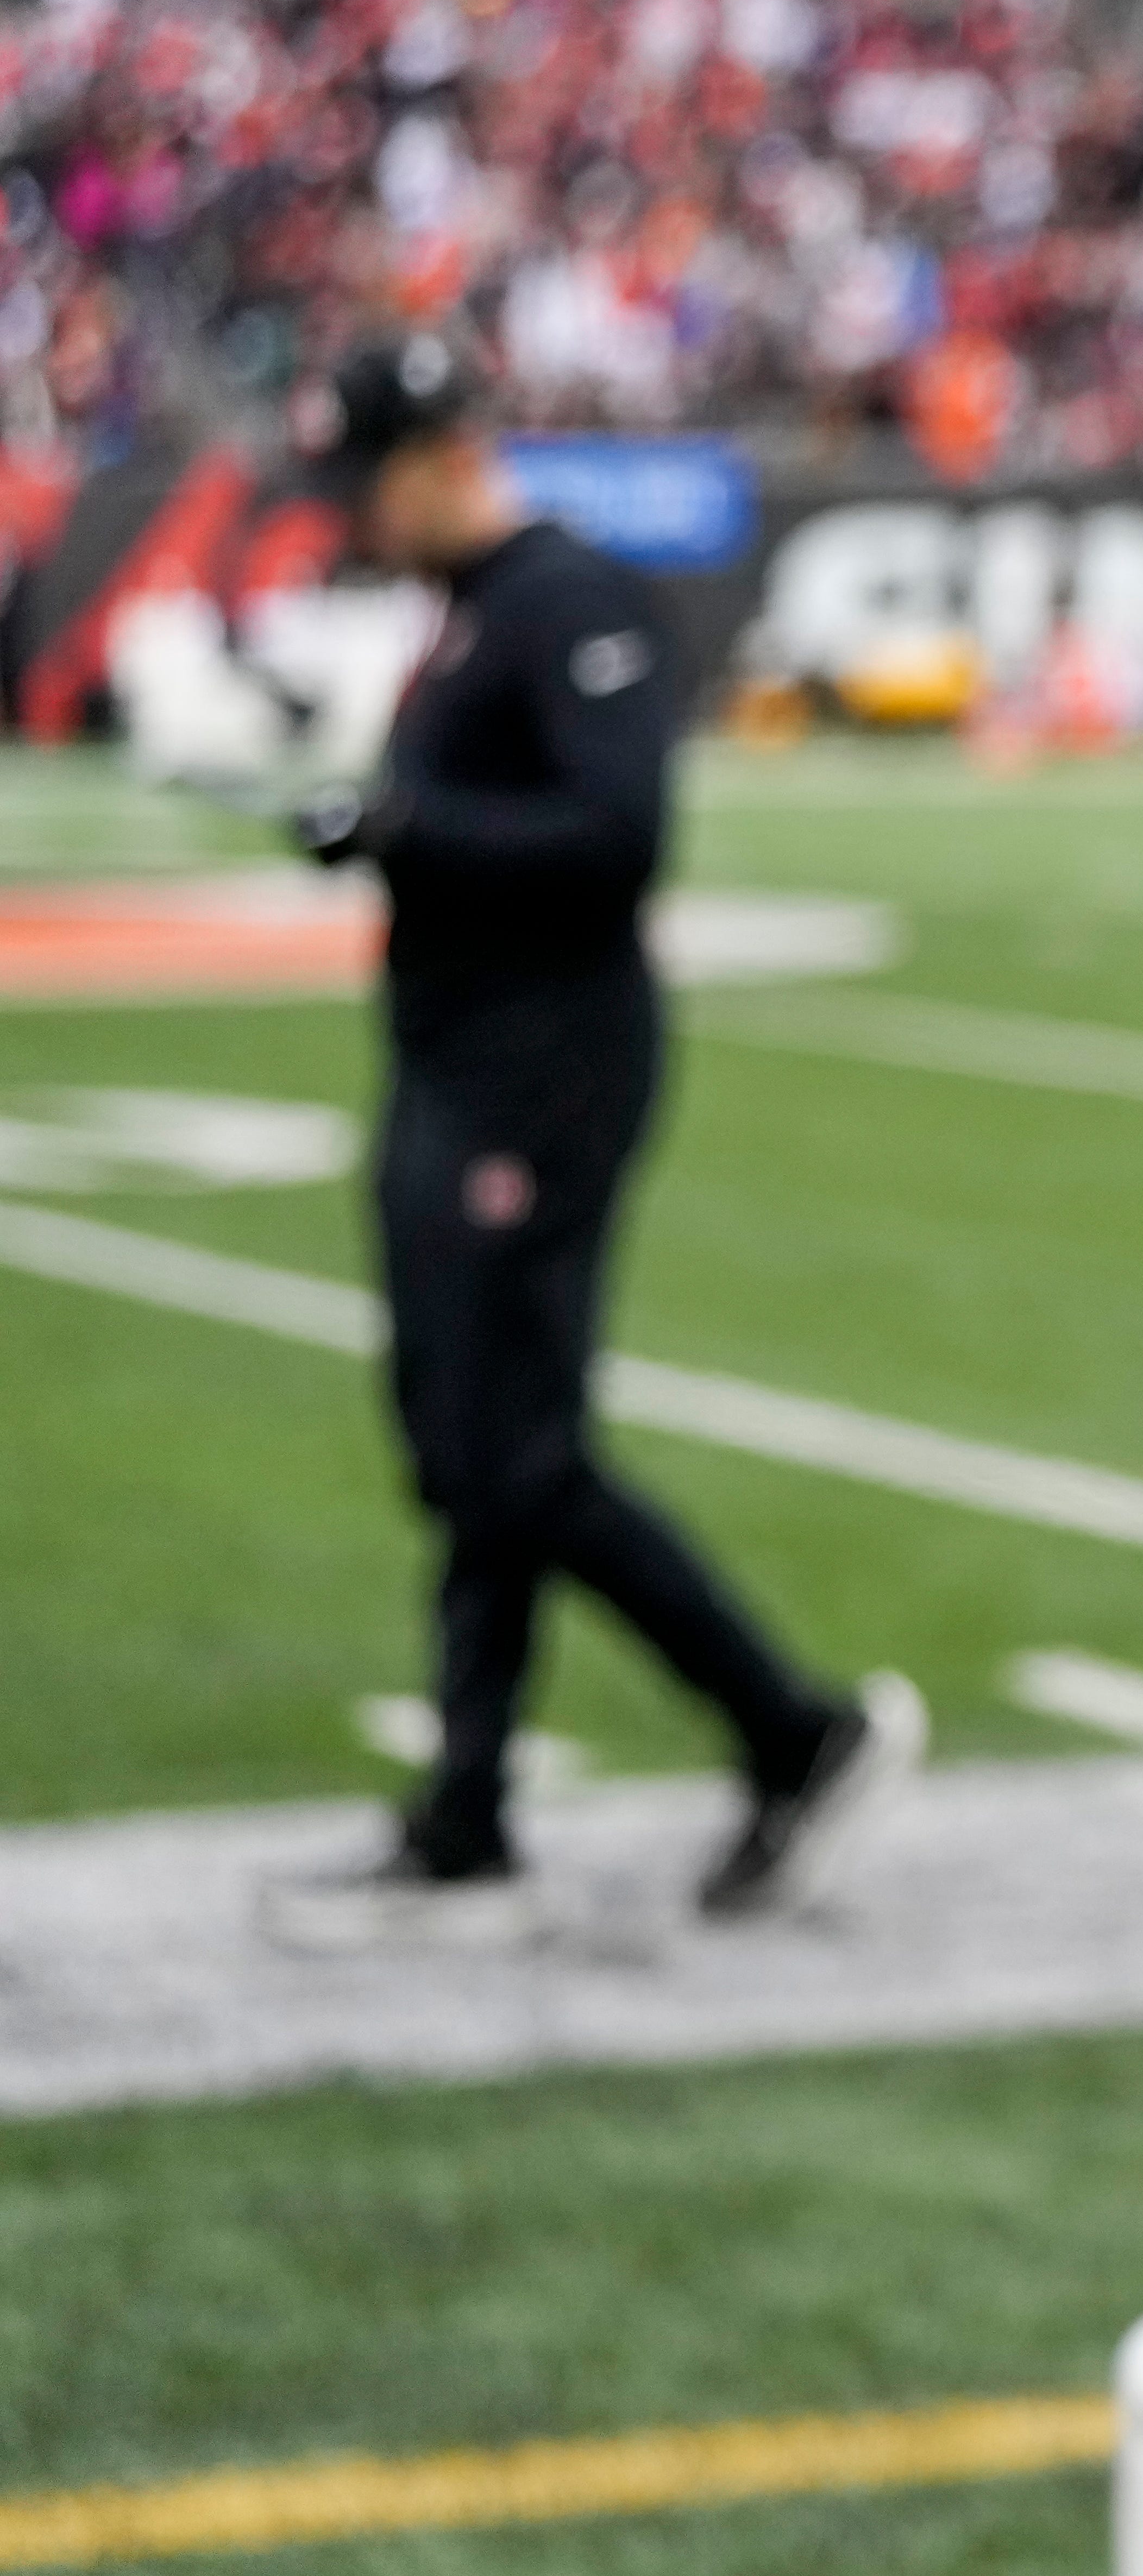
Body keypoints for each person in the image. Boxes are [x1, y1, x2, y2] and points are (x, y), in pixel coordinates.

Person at [261, 338, 919, 1949]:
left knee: (516, 1452)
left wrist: (418, 833)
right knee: (462, 1444)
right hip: (457, 1064)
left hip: (542, 1077)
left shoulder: (572, 603)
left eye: (364, 486)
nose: (351, 521)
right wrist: (384, 833)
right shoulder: (478, 615)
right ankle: (472, 1819)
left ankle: (790, 1732)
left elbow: (623, 835)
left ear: (434, 460)